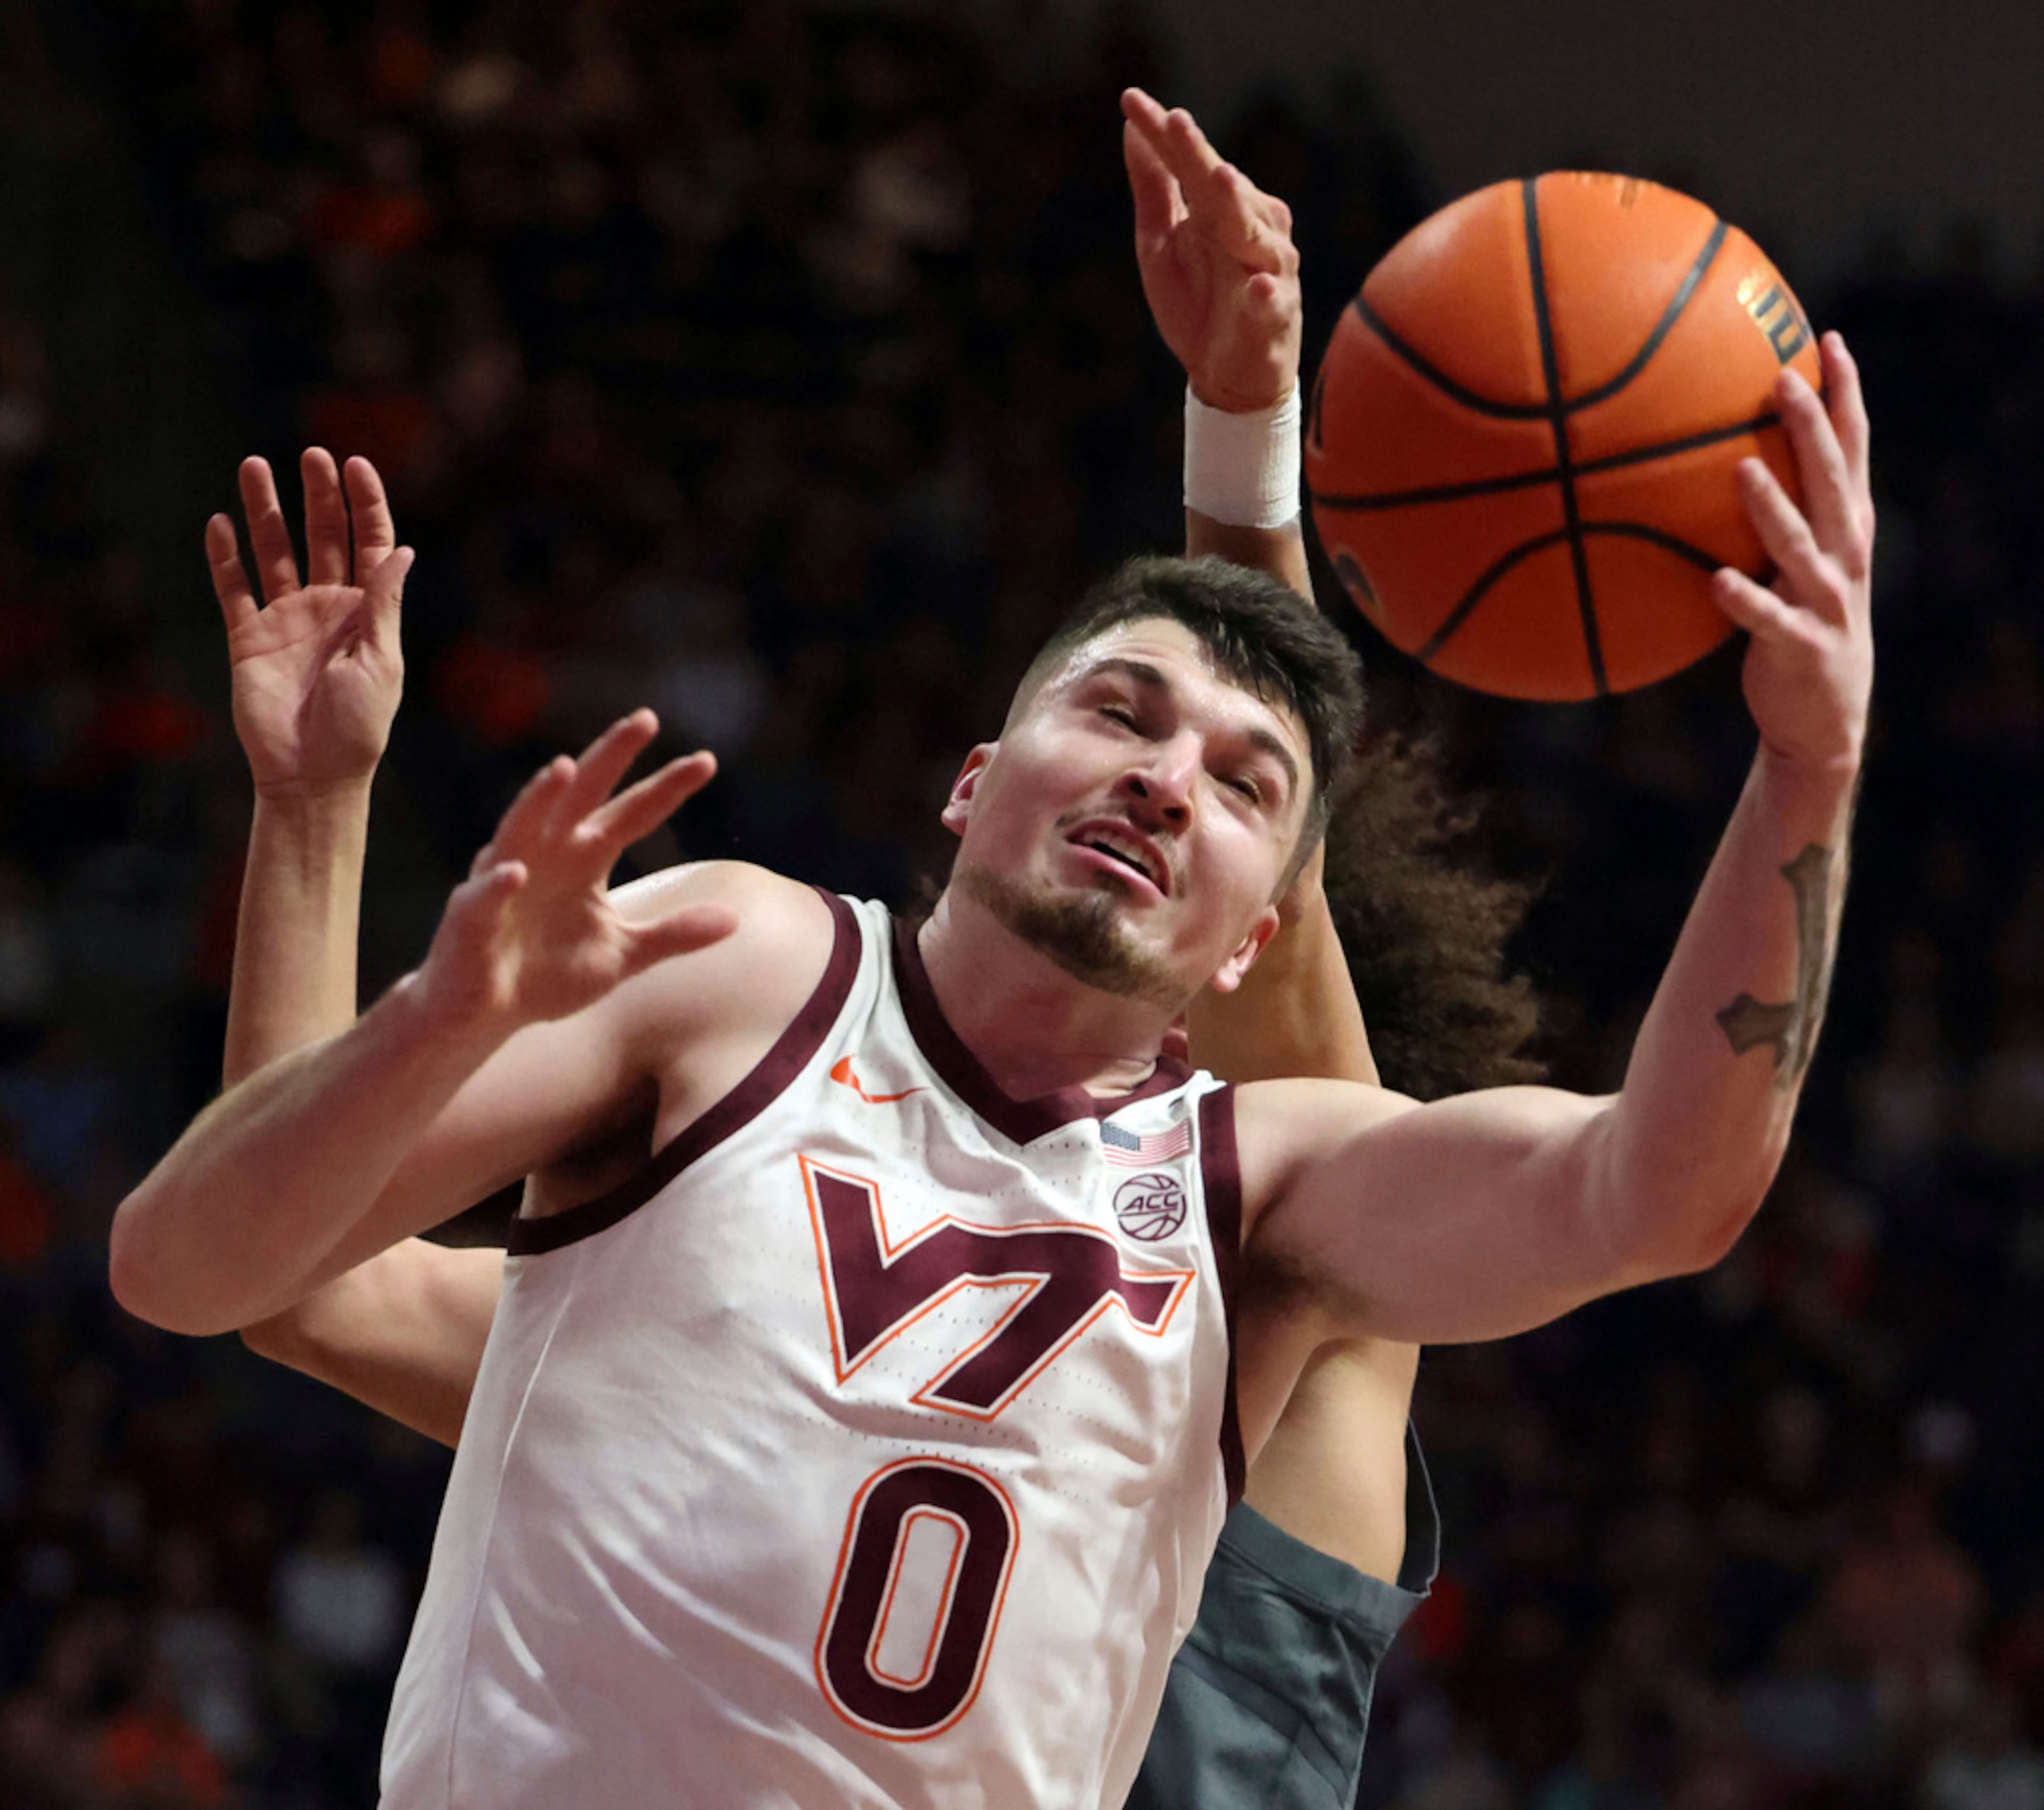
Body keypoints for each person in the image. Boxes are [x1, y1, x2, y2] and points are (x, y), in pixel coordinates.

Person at [109, 68, 1874, 1805]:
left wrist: (1809, 766)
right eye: (1114, 714)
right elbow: (256, 1273)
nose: (1170, 783)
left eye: (1246, 795)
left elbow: (1661, 1185)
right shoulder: (740, 971)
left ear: (1259, 946)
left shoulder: (1272, 1210)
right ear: (971, 777)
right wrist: (378, 928)